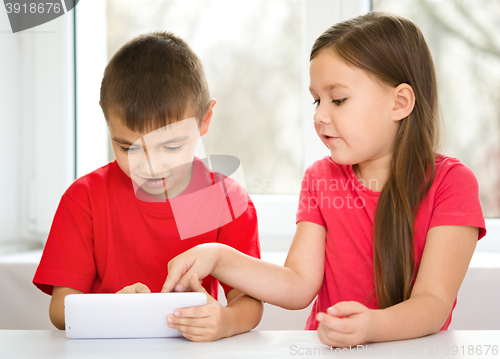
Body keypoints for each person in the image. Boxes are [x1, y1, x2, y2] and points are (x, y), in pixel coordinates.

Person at [162, 12, 486, 347]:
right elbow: (298, 285)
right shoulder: (321, 178)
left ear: (400, 102)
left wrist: (371, 327)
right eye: (317, 100)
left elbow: (433, 303)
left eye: (338, 99)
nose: (319, 115)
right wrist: (218, 256)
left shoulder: (452, 184)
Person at [33, 32, 263, 342]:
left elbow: (248, 302)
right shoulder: (84, 199)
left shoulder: (226, 201)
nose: (151, 166)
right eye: (128, 148)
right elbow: (60, 310)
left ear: (205, 119)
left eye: (170, 147)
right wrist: (111, 308)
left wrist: (225, 321)